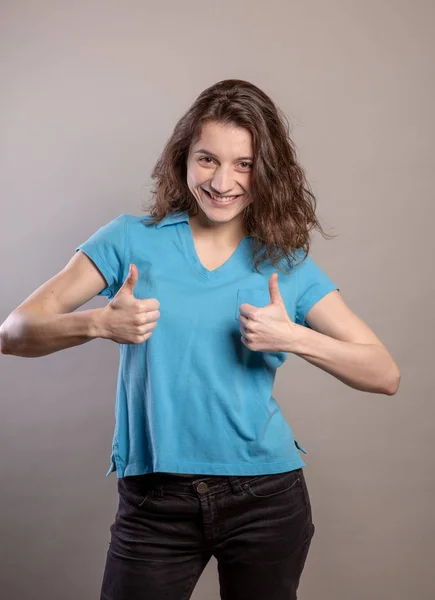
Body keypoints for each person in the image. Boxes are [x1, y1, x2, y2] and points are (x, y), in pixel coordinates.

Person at [0, 79, 400, 600]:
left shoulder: (285, 263)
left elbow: (384, 374)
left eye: (244, 164)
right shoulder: (129, 238)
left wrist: (295, 337)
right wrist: (99, 323)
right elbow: (13, 333)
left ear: (266, 172)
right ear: (183, 158)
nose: (223, 180)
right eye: (207, 159)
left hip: (266, 497)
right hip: (154, 502)